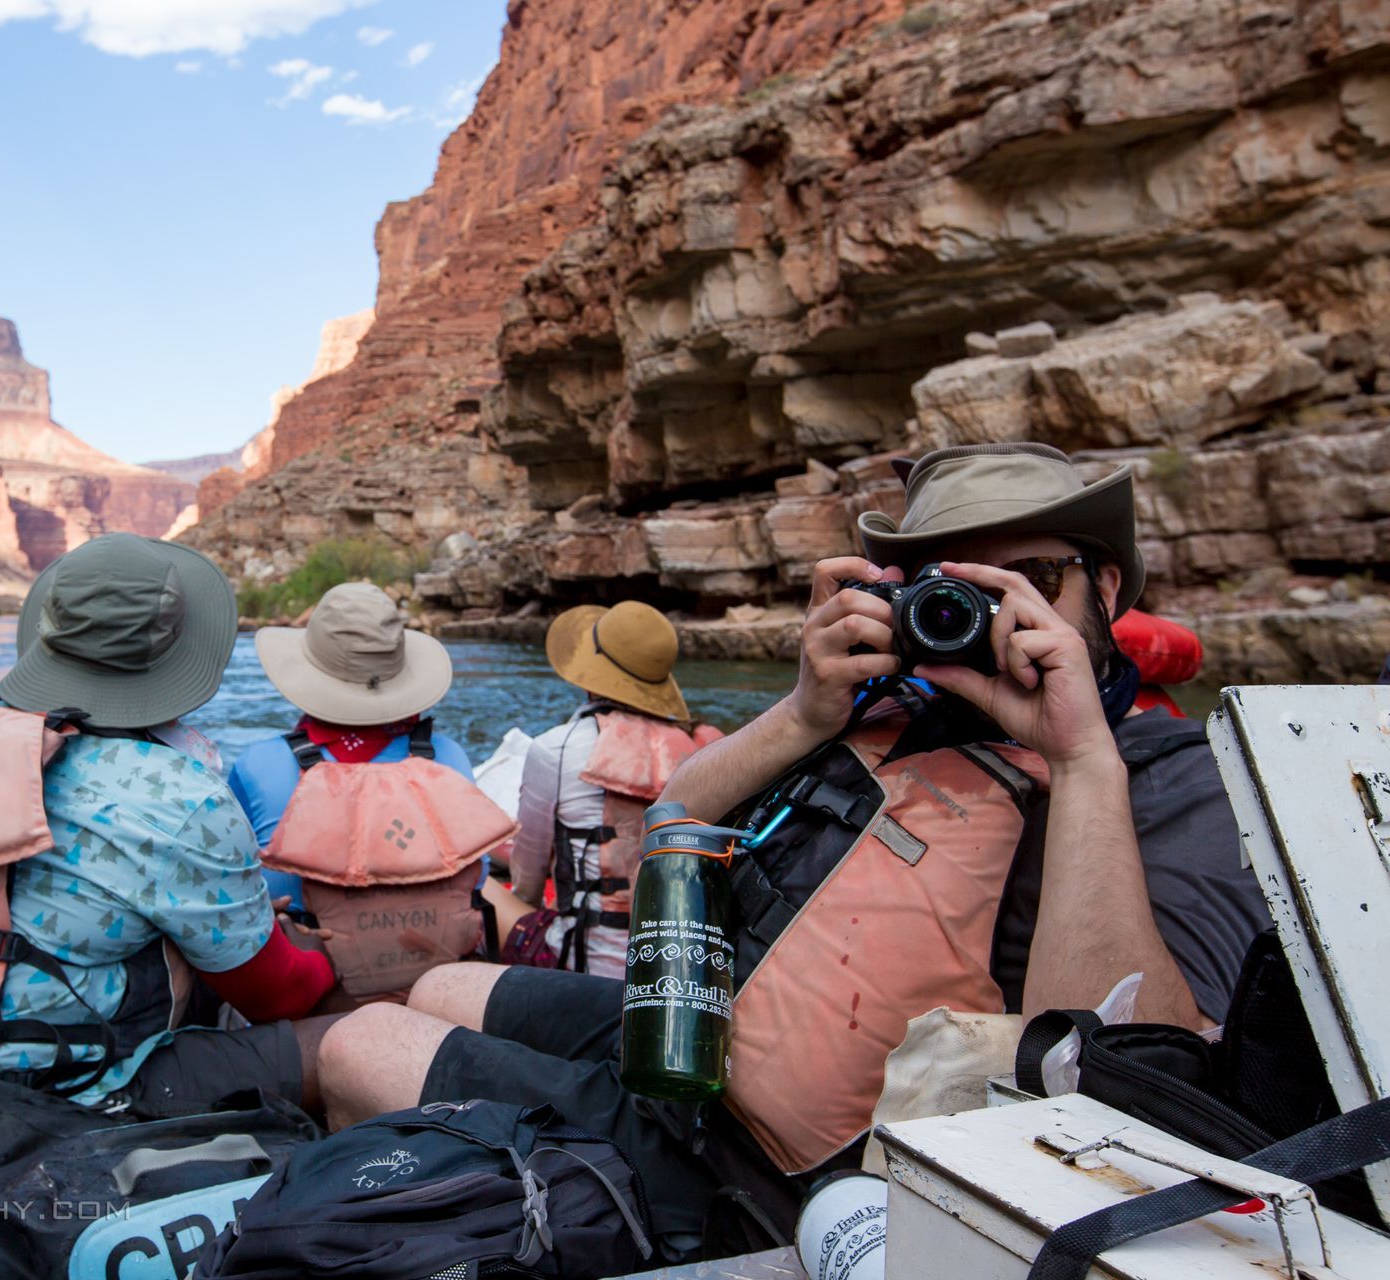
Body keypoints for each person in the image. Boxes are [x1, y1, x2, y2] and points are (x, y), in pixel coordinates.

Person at [312, 443, 1273, 1255]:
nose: (992, 612)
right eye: (953, 583)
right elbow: (678, 823)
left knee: (358, 1044)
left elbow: (1136, 1078)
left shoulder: (1175, 779)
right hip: (706, 1039)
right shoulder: (889, 712)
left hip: (783, 1176)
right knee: (437, 987)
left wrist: (1080, 758)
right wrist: (809, 707)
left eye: (1031, 580)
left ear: (1104, 586)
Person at [0, 533, 337, 1116]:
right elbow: (276, 995)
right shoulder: (179, 795)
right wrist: (326, 959)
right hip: (59, 1095)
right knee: (356, 1042)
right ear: (177, 656)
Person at [227, 582, 507, 1002]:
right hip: (439, 990)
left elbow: (238, 885)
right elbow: (479, 876)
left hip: (319, 1000)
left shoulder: (258, 764)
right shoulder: (447, 757)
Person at [495, 600, 720, 977]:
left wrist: (529, 904)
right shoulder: (698, 749)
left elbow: (528, 879)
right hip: (681, 968)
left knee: (481, 888)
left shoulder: (556, 748)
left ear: (589, 675)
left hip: (585, 966)